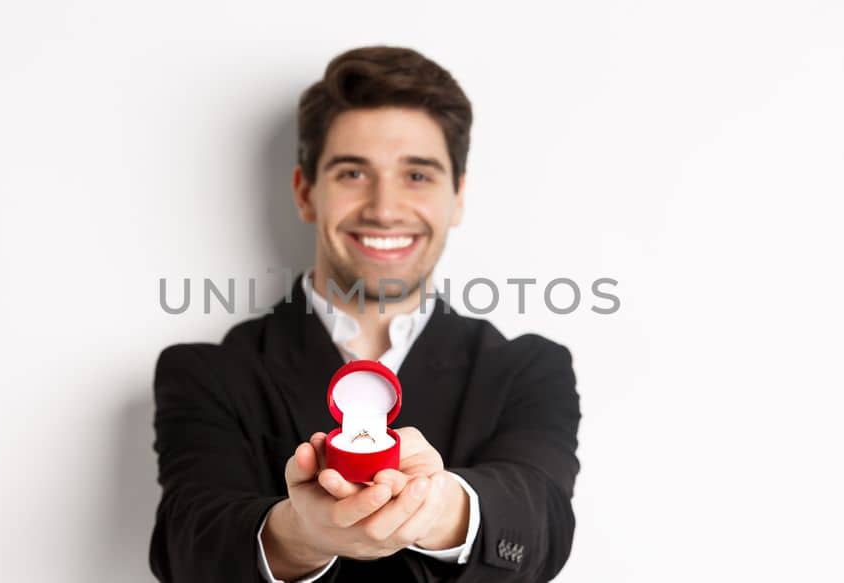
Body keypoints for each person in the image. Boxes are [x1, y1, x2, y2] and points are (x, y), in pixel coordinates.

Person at [149, 45, 581, 582]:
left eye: (417, 175)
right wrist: (300, 535)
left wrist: (438, 507)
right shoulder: (209, 373)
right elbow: (186, 541)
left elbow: (543, 524)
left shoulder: (527, 369)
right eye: (354, 173)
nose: (383, 207)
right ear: (306, 193)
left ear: (458, 197)